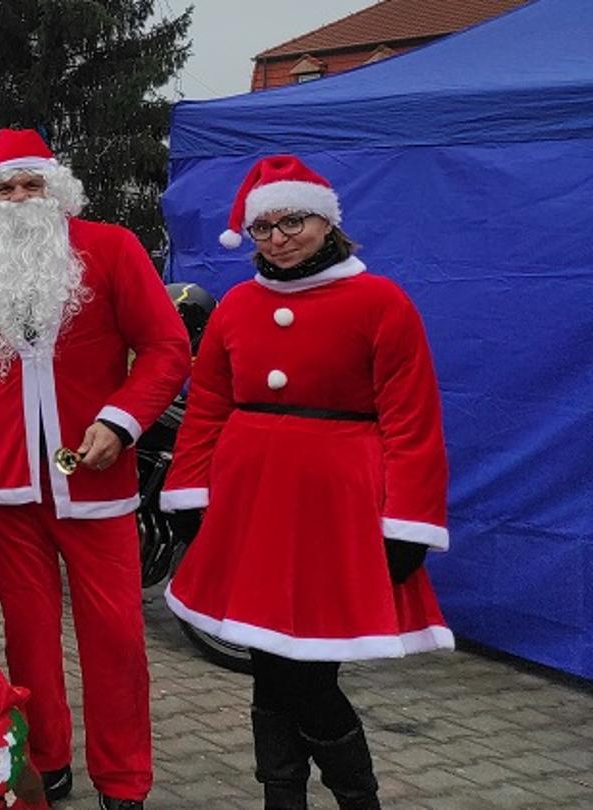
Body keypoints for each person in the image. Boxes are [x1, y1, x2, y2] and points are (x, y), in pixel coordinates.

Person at [0, 128, 189, 810]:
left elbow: (165, 348)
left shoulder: (110, 250)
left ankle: (123, 782)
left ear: (56, 190)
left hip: (96, 485)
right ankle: (45, 759)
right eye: (6, 187)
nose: (20, 197)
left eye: (32, 184)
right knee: (27, 635)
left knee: (117, 639)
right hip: (7, 487)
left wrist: (121, 421)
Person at [163, 155, 452, 810]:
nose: (278, 236)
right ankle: (282, 798)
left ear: (326, 221)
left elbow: (413, 424)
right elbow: (206, 408)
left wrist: (405, 525)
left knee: (310, 674)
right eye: (263, 227)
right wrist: (190, 493)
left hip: (337, 511)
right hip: (250, 507)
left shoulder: (382, 302)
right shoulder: (237, 307)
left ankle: (358, 797)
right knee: (268, 667)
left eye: (292, 220)